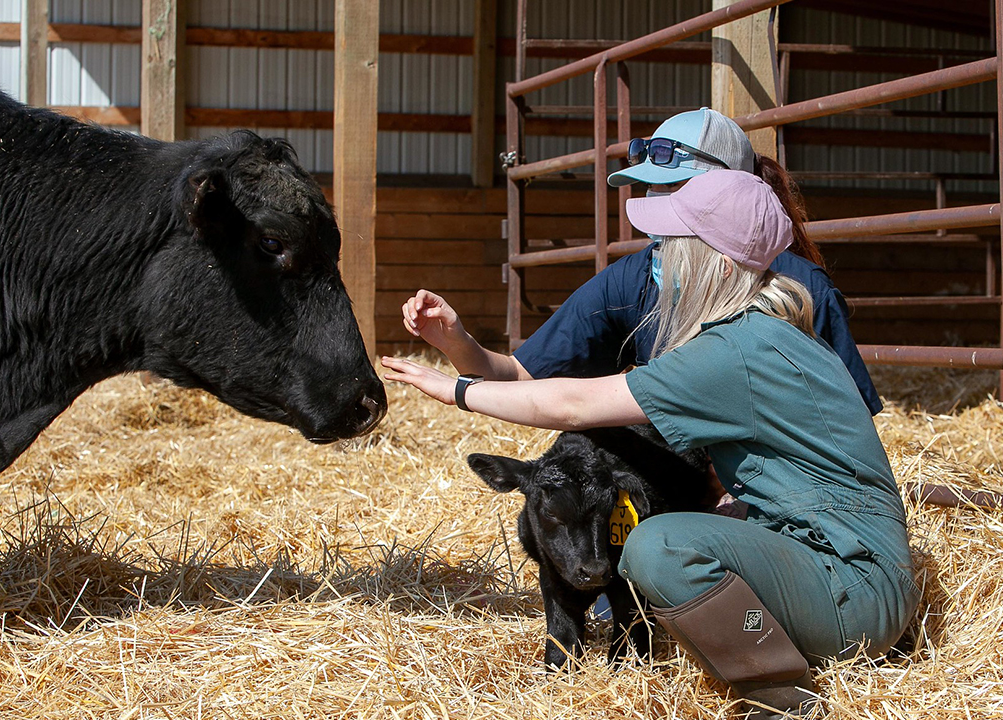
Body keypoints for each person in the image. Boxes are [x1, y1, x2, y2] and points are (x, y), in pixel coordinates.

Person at [383, 170, 919, 719]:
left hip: (852, 595)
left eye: (669, 246)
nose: (655, 258)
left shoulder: (732, 352)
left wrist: (457, 390)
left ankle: (777, 691)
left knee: (655, 546)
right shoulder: (773, 327)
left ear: (714, 262)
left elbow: (574, 406)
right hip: (854, 568)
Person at [401, 107, 882, 417]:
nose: (659, 205)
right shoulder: (636, 277)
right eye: (653, 188)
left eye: (675, 190)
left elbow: (848, 423)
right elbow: (526, 378)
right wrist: (456, 340)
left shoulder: (798, 291)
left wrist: (457, 391)